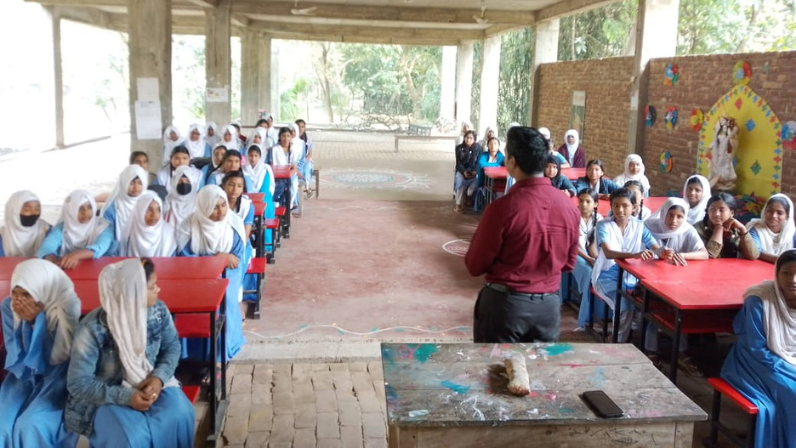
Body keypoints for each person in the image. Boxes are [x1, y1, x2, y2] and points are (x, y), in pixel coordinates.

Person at [464, 126, 580, 343]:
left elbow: (475, 264)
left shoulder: (502, 209)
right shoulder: (569, 207)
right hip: (548, 307)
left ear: (511, 162)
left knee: (498, 370)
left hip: (506, 307)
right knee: (539, 371)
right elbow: (568, 263)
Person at [65, 259, 194, 447]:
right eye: (152, 287)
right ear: (132, 293)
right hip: (106, 395)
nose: (158, 290)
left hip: (152, 383)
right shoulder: (92, 329)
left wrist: (159, 378)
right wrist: (127, 397)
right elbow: (78, 384)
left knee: (181, 414)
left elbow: (172, 347)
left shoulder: (158, 311)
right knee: (131, 437)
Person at [0, 259, 80, 447]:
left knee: (30, 425)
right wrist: (27, 324)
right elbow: (14, 351)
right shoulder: (8, 306)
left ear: (43, 292)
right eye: (15, 293)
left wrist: (37, 323)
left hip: (59, 376)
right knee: (2, 424)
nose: (19, 301)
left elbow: (61, 356)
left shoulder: (65, 308)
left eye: (27, 294)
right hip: (22, 373)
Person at [721, 249, 796, 448]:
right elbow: (756, 348)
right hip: (754, 362)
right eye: (786, 273)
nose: (793, 280)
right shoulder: (759, 300)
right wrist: (791, 369)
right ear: (776, 273)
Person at [176, 186, 246, 359]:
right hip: (196, 278)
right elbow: (185, 257)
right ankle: (194, 353)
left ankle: (220, 355)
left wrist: (219, 262)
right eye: (214, 207)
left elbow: (236, 260)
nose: (221, 211)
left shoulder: (234, 223)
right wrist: (218, 257)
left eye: (223, 205)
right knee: (190, 302)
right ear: (204, 207)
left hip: (227, 276)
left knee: (224, 301)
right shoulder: (189, 225)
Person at [643, 198, 709, 374]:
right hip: (648, 280)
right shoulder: (650, 226)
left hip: (678, 282)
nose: (674, 221)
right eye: (670, 215)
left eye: (680, 216)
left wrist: (682, 255)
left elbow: (704, 254)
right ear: (663, 213)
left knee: (680, 311)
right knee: (655, 310)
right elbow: (640, 249)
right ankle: (651, 350)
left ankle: (681, 352)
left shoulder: (687, 230)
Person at [591, 188, 662, 343]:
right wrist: (636, 255)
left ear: (634, 207)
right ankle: (617, 341)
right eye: (615, 205)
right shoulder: (603, 226)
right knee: (624, 306)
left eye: (625, 205)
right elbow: (609, 253)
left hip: (632, 276)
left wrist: (664, 252)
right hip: (606, 275)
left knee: (644, 304)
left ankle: (637, 340)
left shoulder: (639, 226)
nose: (620, 210)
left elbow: (655, 246)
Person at [37, 190, 115, 267]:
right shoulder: (62, 228)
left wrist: (76, 255)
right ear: (70, 211)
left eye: (89, 207)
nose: (86, 212)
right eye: (80, 208)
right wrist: (51, 258)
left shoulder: (103, 226)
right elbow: (46, 247)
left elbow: (100, 247)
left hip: (98, 269)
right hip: (69, 269)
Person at [567, 188, 603, 331]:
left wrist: (597, 260)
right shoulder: (571, 216)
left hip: (593, 255)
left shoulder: (599, 219)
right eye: (581, 201)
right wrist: (589, 259)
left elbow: (597, 245)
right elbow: (572, 244)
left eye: (588, 201)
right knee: (589, 274)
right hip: (573, 254)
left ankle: (600, 313)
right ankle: (583, 320)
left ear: (595, 204)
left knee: (603, 273)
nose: (583, 204)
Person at [695, 193, 756, 259]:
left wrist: (743, 229)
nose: (717, 214)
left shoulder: (735, 229)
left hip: (730, 268)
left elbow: (753, 255)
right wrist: (719, 228)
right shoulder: (698, 229)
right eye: (713, 209)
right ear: (707, 211)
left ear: (732, 213)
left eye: (721, 210)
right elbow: (709, 256)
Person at [120, 191, 177, 257]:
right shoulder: (130, 232)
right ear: (140, 211)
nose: (154, 215)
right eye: (149, 210)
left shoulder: (169, 233)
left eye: (158, 210)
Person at [101, 165, 148, 240]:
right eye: (131, 183)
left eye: (140, 183)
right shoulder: (114, 207)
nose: (136, 187)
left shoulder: (150, 202)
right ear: (124, 183)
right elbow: (107, 234)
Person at [746, 194, 796, 263]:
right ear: (764, 211)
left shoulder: (792, 233)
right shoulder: (756, 230)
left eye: (779, 213)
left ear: (787, 216)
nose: (774, 216)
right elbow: (756, 252)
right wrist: (784, 260)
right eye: (770, 211)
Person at [0, 190, 50, 257]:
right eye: (27, 210)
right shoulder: (2, 236)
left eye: (37, 209)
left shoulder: (47, 231)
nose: (33, 213)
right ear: (14, 212)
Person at [271, 127, 301, 210]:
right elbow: (272, 165)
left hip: (290, 174)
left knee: (293, 187)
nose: (286, 138)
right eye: (283, 136)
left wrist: (288, 175)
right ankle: (279, 206)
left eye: (288, 136)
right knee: (280, 186)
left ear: (291, 137)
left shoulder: (294, 149)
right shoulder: (275, 149)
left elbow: (294, 167)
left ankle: (289, 207)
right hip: (277, 175)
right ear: (279, 137)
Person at [163, 165, 199, 232]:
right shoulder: (168, 202)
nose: (184, 184)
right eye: (180, 181)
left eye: (187, 181)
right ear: (174, 183)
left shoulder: (199, 203)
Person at [454, 130, 481, 213]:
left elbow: (478, 162)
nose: (468, 140)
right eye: (467, 137)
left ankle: (469, 196)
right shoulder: (459, 148)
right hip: (462, 171)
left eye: (471, 138)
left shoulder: (478, 148)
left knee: (476, 181)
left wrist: (475, 171)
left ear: (474, 139)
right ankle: (458, 204)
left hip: (473, 172)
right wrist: (464, 172)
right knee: (461, 181)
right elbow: (458, 163)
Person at [294, 120, 314, 197]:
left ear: (305, 128)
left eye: (302, 127)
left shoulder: (308, 138)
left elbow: (310, 155)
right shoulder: (292, 137)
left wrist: (303, 161)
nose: (300, 129)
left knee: (307, 167)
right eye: (298, 127)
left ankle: (307, 186)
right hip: (294, 161)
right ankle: (297, 187)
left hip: (306, 160)